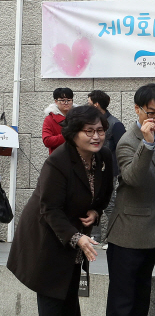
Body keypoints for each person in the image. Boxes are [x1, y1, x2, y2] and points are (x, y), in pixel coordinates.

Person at [7, 105, 114, 315]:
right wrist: (77, 237)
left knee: (70, 301)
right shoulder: (58, 161)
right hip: (46, 239)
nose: (96, 137)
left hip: (74, 243)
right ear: (74, 133)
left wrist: (96, 212)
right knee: (53, 304)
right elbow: (50, 209)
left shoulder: (104, 156)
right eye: (89, 131)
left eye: (100, 130)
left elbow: (105, 192)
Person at [105, 83, 155, 316]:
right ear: (137, 109)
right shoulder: (128, 141)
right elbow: (132, 178)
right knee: (122, 302)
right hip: (127, 235)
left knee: (141, 298)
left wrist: (152, 140)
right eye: (152, 113)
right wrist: (147, 144)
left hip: (150, 233)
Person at [87, 90, 126, 245]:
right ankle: (94, 237)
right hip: (93, 170)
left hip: (110, 171)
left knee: (109, 204)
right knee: (92, 203)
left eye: (89, 103)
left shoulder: (116, 124)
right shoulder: (91, 123)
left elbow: (123, 150)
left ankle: (114, 238)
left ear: (96, 104)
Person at [43, 87, 74, 154]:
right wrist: (68, 136)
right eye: (62, 100)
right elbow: (47, 141)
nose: (66, 103)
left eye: (69, 100)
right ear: (56, 101)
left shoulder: (79, 116)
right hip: (58, 158)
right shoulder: (49, 119)